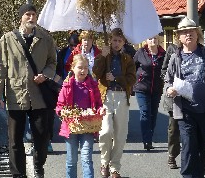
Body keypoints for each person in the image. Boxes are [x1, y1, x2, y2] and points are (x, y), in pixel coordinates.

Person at [0, 4, 57, 178]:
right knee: (14, 140)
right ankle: (18, 173)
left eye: (34, 15)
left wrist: (46, 74)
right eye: (27, 14)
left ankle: (38, 165)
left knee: (42, 137)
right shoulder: (7, 39)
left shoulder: (46, 38)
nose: (31, 18)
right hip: (16, 94)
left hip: (39, 96)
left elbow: (52, 62)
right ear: (21, 17)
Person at [163, 17, 205, 178]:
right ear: (179, 37)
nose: (188, 34)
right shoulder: (175, 57)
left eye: (191, 31)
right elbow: (167, 80)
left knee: (202, 147)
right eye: (184, 32)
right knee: (188, 146)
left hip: (204, 110)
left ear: (197, 34)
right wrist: (169, 89)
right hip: (184, 111)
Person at [92, 28, 136, 178]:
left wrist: (116, 78)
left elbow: (132, 79)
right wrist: (101, 57)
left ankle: (114, 167)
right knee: (105, 131)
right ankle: (104, 162)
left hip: (122, 96)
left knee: (120, 134)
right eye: (114, 40)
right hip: (106, 96)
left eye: (119, 40)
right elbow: (95, 74)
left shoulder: (127, 59)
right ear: (110, 40)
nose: (116, 43)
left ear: (123, 42)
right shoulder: (105, 55)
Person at [56, 54, 105, 178]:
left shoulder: (93, 86)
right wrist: (62, 112)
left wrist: (101, 110)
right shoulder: (67, 85)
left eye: (86, 68)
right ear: (73, 68)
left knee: (86, 158)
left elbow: (99, 104)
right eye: (80, 67)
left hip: (88, 126)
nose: (83, 70)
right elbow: (59, 106)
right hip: (71, 127)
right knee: (71, 160)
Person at [133, 36, 165, 151]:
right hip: (142, 88)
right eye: (150, 38)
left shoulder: (163, 54)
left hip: (156, 89)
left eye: (155, 38)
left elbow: (166, 69)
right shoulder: (140, 52)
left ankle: (149, 135)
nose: (153, 40)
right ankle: (147, 140)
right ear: (146, 41)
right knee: (145, 112)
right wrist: (135, 80)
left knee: (153, 114)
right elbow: (133, 67)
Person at [161, 43, 180, 169]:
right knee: (173, 129)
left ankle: (192, 157)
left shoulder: (199, 53)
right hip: (174, 98)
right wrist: (170, 86)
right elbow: (164, 71)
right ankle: (172, 156)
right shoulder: (172, 51)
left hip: (192, 100)